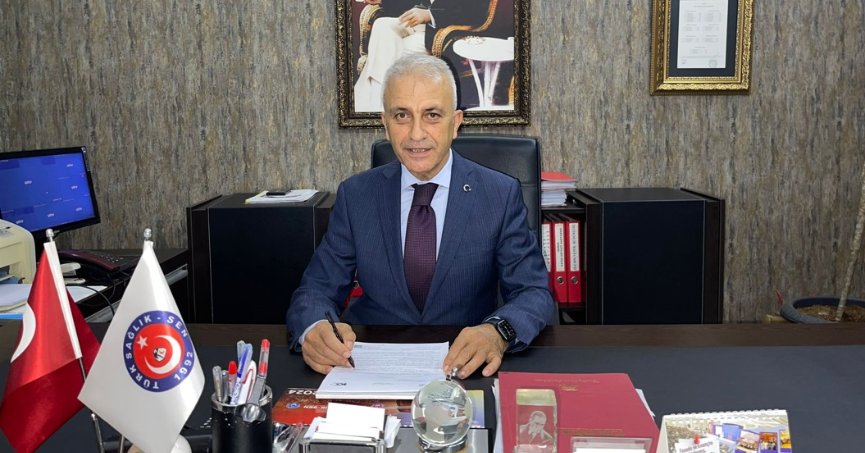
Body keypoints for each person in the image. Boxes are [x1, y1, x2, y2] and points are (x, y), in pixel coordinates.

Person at [287, 53, 554, 379]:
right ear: (385, 123)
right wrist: (314, 328)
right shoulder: (356, 195)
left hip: (465, 365)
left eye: (432, 115)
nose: (416, 134)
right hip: (372, 364)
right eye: (402, 115)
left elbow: (533, 293)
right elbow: (316, 290)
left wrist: (497, 332)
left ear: (456, 122)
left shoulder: (499, 195)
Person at [354, 0, 492, 111]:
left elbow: (475, 11)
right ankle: (379, 100)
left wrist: (430, 15)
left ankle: (375, 105)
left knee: (388, 50)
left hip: (445, 32)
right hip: (422, 23)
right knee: (382, 25)